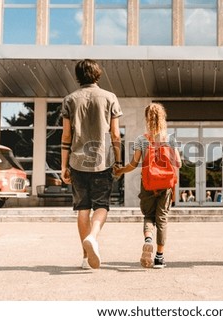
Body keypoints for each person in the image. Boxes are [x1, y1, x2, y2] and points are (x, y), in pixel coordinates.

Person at [61, 59, 122, 270]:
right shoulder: (110, 98)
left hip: (77, 162)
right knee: (102, 206)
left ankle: (86, 258)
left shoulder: (70, 99)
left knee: (82, 209)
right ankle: (93, 237)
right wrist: (118, 159)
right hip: (102, 161)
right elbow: (115, 134)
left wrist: (63, 166)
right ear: (98, 74)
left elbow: (66, 135)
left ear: (78, 76)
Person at [114, 103, 181, 269]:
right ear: (163, 118)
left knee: (149, 217)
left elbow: (133, 164)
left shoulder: (141, 140)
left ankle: (148, 239)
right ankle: (159, 257)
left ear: (146, 119)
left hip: (148, 184)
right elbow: (178, 163)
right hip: (166, 185)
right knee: (162, 220)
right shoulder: (170, 139)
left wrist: (121, 170)